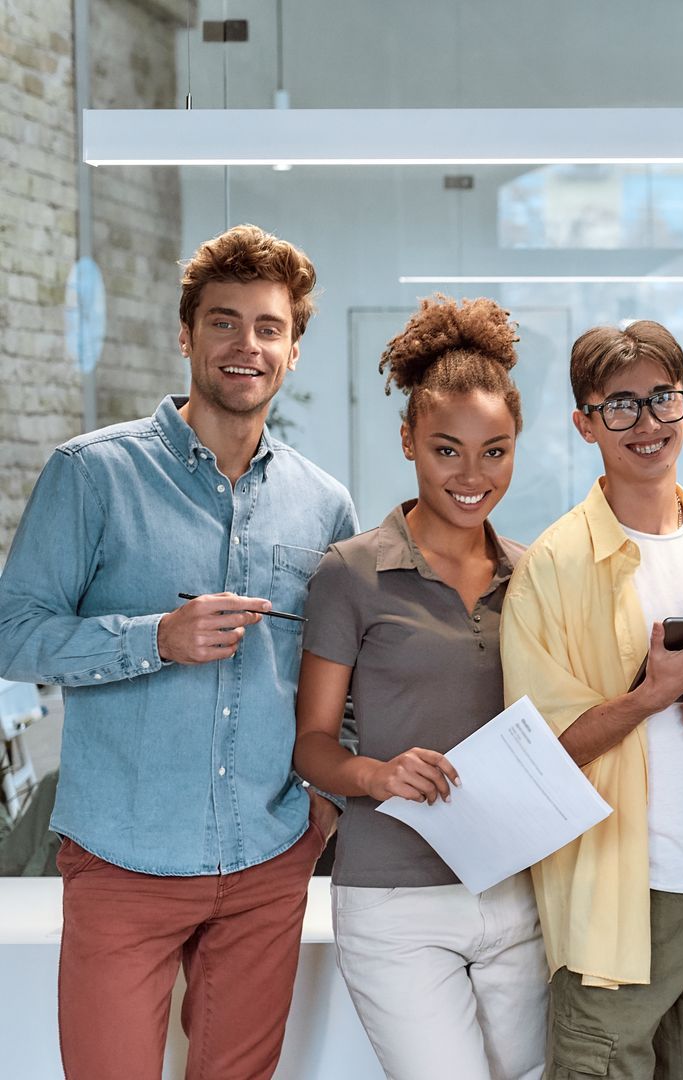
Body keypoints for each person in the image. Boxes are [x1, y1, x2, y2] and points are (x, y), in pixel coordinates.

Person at [0, 224, 357, 1079]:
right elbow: (13, 632)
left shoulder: (324, 506)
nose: (246, 345)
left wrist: (326, 796)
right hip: (123, 858)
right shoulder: (92, 475)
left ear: (294, 350)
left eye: (269, 327)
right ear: (186, 335)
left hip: (268, 861)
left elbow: (340, 673)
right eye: (224, 322)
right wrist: (155, 638)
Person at [500, 320, 683, 1080]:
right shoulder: (552, 567)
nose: (647, 423)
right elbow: (542, 756)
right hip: (621, 894)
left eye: (663, 398)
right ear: (585, 424)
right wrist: (649, 696)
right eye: (620, 406)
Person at [292, 295, 545, 1079]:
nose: (472, 476)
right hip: (393, 899)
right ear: (408, 442)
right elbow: (312, 746)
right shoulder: (350, 572)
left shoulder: (535, 574)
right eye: (446, 450)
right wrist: (377, 774)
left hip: (518, 891)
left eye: (494, 452)